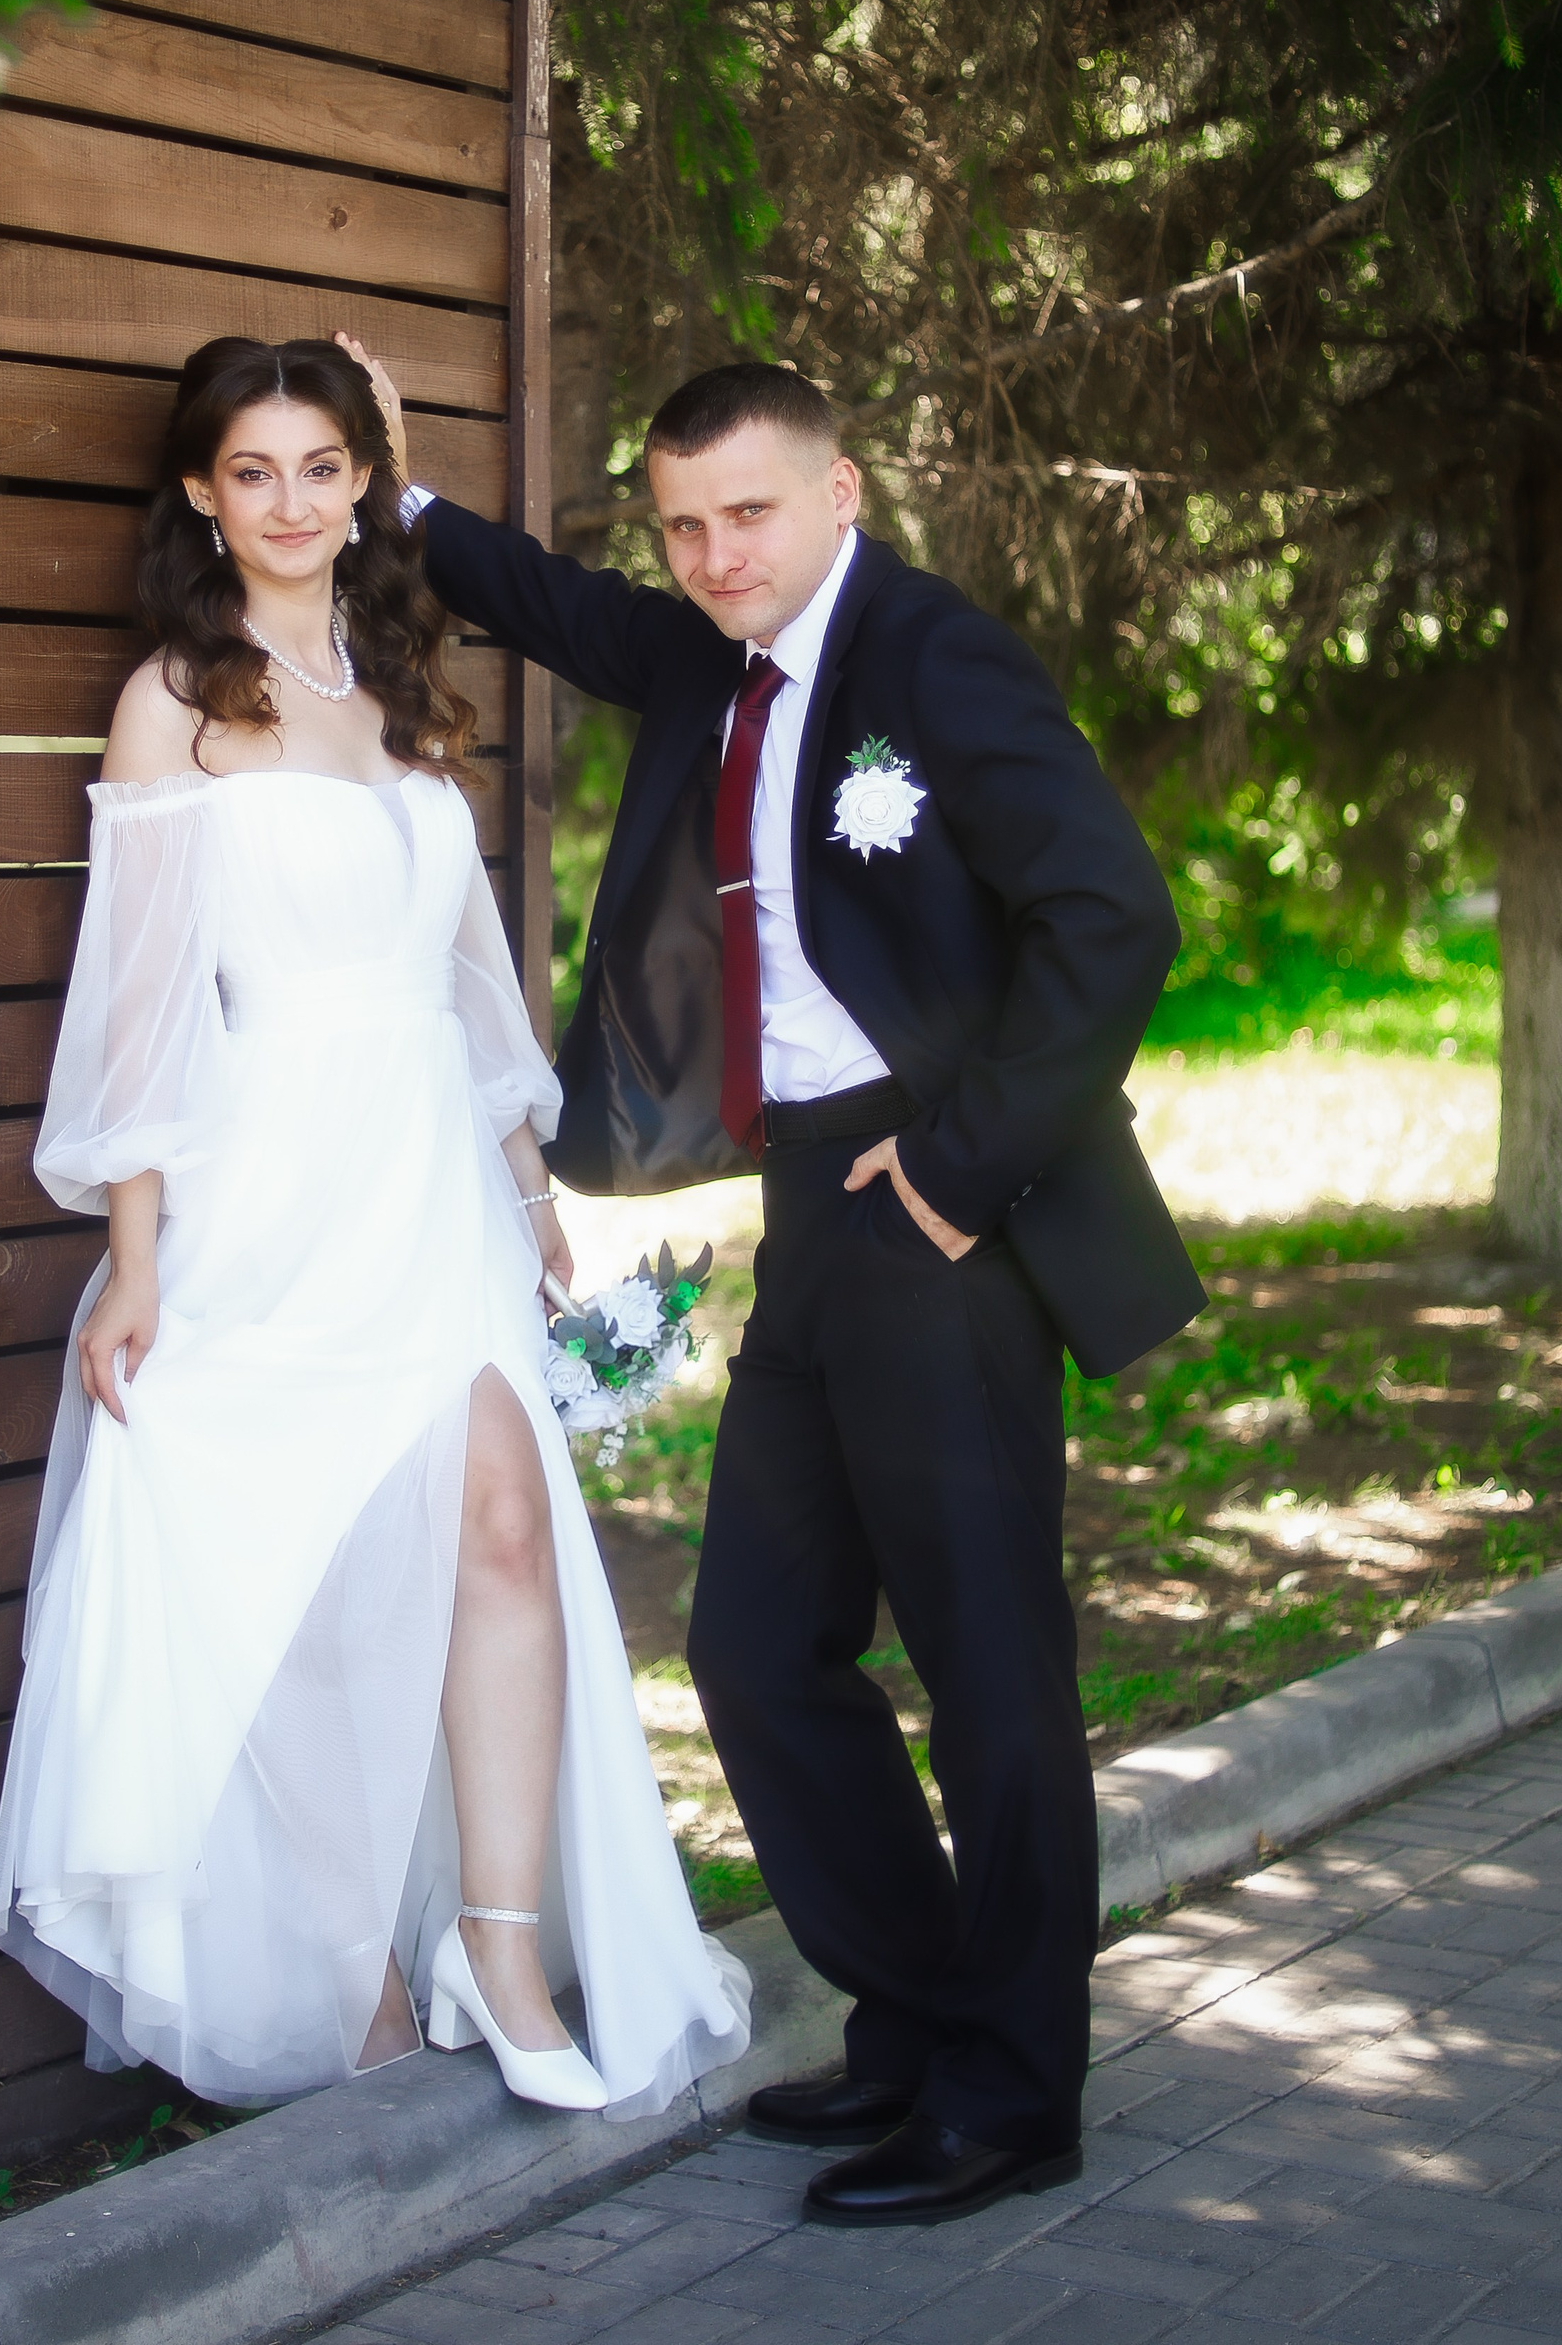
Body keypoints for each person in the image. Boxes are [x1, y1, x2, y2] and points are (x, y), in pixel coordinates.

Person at [341, 338, 1204, 2224]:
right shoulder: (713, 660)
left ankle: (1016, 2092)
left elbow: (1114, 916)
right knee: (752, 1642)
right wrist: (381, 491)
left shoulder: (935, 659)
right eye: (684, 527)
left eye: (749, 513)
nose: (717, 554)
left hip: (944, 1201)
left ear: (840, 495)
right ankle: (917, 2018)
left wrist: (961, 1170)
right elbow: (551, 604)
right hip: (814, 1206)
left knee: (988, 1664)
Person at [0, 336, 749, 2119]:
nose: (291, 504)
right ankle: (355, 1975)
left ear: (362, 484)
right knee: (304, 1577)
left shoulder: (402, 685)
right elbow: (142, 1007)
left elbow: (463, 968)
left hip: (432, 1182)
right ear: (202, 495)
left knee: (502, 1527)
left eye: (322, 468)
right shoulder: (175, 702)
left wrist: (526, 1180)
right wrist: (138, 1258)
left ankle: (502, 1948)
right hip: (268, 1187)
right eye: (252, 473)